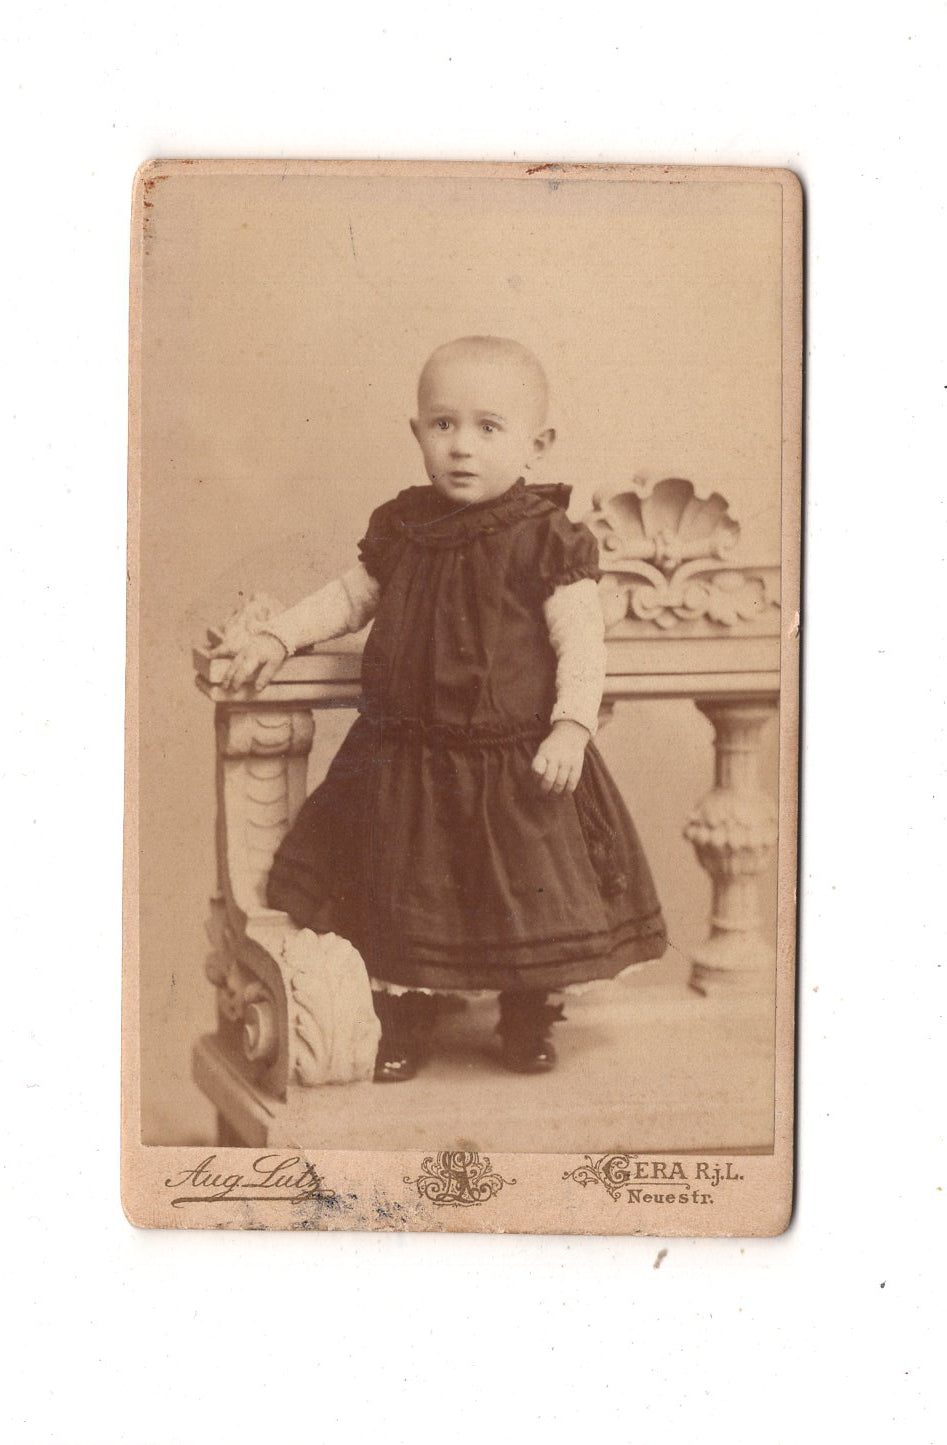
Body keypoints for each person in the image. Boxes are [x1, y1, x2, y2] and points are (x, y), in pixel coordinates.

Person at [220, 336, 667, 1081]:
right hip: (408, 761)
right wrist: (280, 633)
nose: (462, 446)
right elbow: (348, 599)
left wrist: (570, 726)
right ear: (417, 432)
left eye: (488, 427)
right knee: (405, 897)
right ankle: (405, 1019)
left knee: (528, 896)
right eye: (443, 424)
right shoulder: (405, 528)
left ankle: (527, 1015)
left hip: (513, 763)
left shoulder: (546, 539)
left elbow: (581, 645)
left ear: (536, 444)